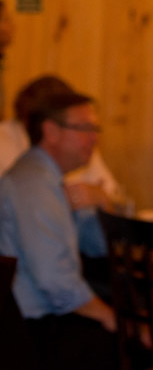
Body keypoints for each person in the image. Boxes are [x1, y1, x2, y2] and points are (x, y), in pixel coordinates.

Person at [0, 88, 117, 368]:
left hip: (40, 316)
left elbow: (98, 247)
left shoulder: (48, 178)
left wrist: (102, 202)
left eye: (95, 129)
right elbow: (54, 280)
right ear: (51, 132)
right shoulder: (34, 185)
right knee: (118, 336)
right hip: (27, 330)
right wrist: (108, 316)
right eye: (85, 128)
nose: (94, 138)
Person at [0, 75, 123, 209]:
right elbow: (28, 197)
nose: (94, 138)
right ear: (50, 129)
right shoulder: (5, 142)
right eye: (84, 127)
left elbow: (116, 198)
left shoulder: (81, 144)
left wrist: (100, 196)